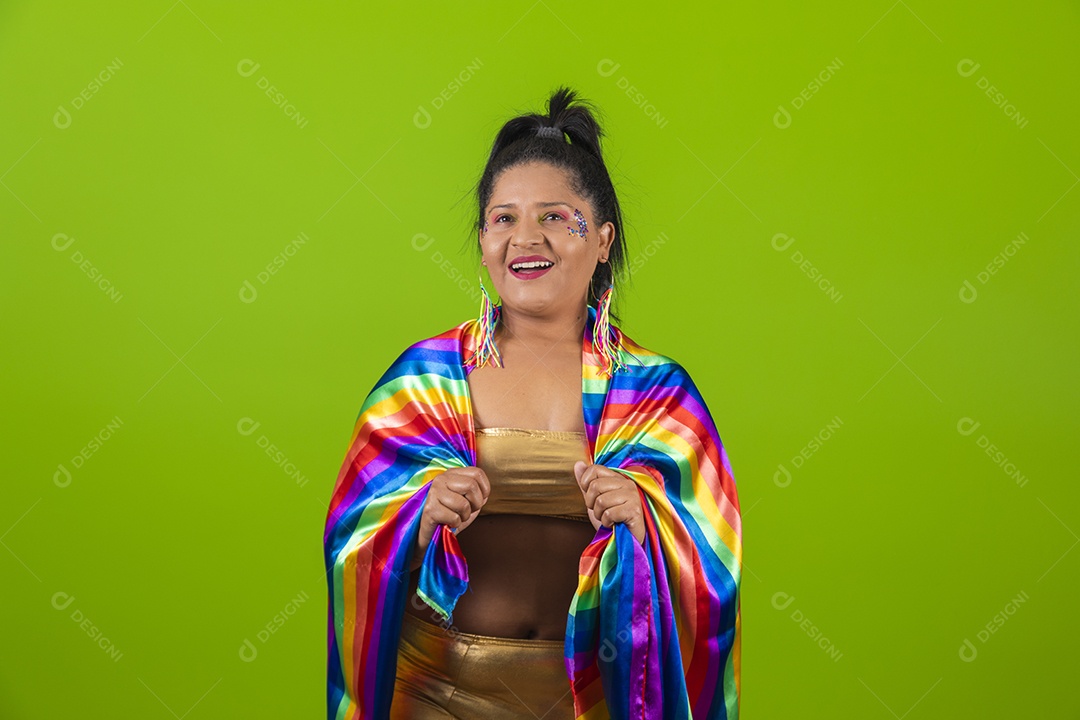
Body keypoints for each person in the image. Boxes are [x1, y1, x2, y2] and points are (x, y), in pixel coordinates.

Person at [324, 86, 742, 720]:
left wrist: (648, 515)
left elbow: (714, 552)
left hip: (598, 698)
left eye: (554, 217)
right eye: (503, 219)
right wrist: (416, 513)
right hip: (435, 692)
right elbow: (349, 537)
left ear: (602, 240)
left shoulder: (658, 391)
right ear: (483, 239)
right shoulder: (423, 379)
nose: (526, 238)